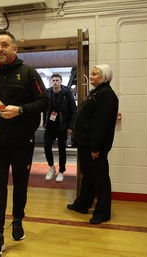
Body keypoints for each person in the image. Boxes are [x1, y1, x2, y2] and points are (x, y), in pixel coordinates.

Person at [0, 30, 49, 256]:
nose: (0, 49)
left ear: (15, 48)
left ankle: (17, 219)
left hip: (22, 142)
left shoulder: (29, 74)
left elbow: (44, 102)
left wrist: (19, 110)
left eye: (5, 45)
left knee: (20, 184)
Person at [66, 64, 118, 224]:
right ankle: (82, 204)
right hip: (85, 144)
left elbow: (99, 124)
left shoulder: (107, 95)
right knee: (88, 176)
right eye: (93, 73)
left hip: (94, 146)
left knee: (100, 179)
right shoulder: (96, 93)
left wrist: (95, 147)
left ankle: (103, 212)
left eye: (95, 74)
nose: (92, 76)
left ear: (104, 77)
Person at [43, 74, 77, 182]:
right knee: (47, 146)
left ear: (61, 82)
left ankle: (61, 171)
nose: (55, 82)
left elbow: (74, 111)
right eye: (53, 80)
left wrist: (70, 127)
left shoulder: (67, 94)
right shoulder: (48, 93)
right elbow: (44, 107)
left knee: (62, 149)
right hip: (50, 125)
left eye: (57, 80)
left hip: (63, 126)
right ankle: (51, 167)